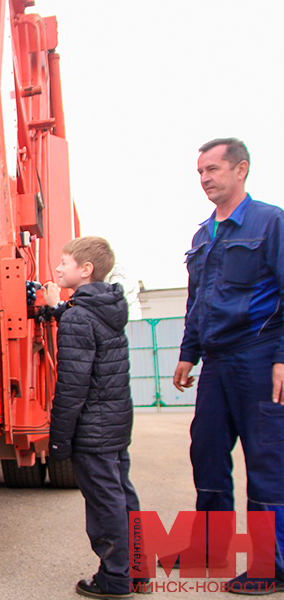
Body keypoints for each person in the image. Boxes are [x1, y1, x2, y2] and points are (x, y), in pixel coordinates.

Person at [174, 138, 284, 593]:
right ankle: (210, 549)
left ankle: (272, 565)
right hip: (216, 362)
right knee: (208, 453)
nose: (205, 179)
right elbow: (197, 301)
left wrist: (282, 357)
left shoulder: (270, 222)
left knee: (266, 460)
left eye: (213, 169)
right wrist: (187, 353)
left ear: (241, 169)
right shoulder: (204, 235)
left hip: (259, 357)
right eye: (200, 172)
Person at [44, 236, 143, 599]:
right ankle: (137, 569)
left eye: (65, 263)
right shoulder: (108, 307)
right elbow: (85, 331)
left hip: (93, 430)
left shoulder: (78, 317)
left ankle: (115, 578)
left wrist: (58, 440)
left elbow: (72, 386)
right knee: (122, 495)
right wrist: (58, 311)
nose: (58, 269)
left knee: (105, 503)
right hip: (115, 424)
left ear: (85, 271)